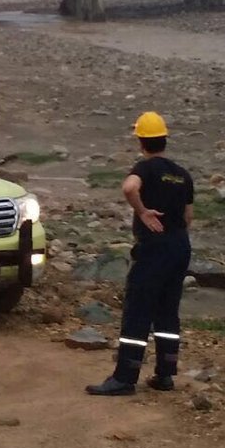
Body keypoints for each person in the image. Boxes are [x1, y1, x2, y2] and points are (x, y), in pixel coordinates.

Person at [86, 112, 194, 396]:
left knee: (137, 311)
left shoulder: (145, 169)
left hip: (154, 248)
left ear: (141, 141)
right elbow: (188, 216)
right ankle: (165, 374)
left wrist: (143, 211)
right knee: (168, 311)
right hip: (180, 247)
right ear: (164, 139)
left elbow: (129, 187)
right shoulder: (182, 175)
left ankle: (124, 378)